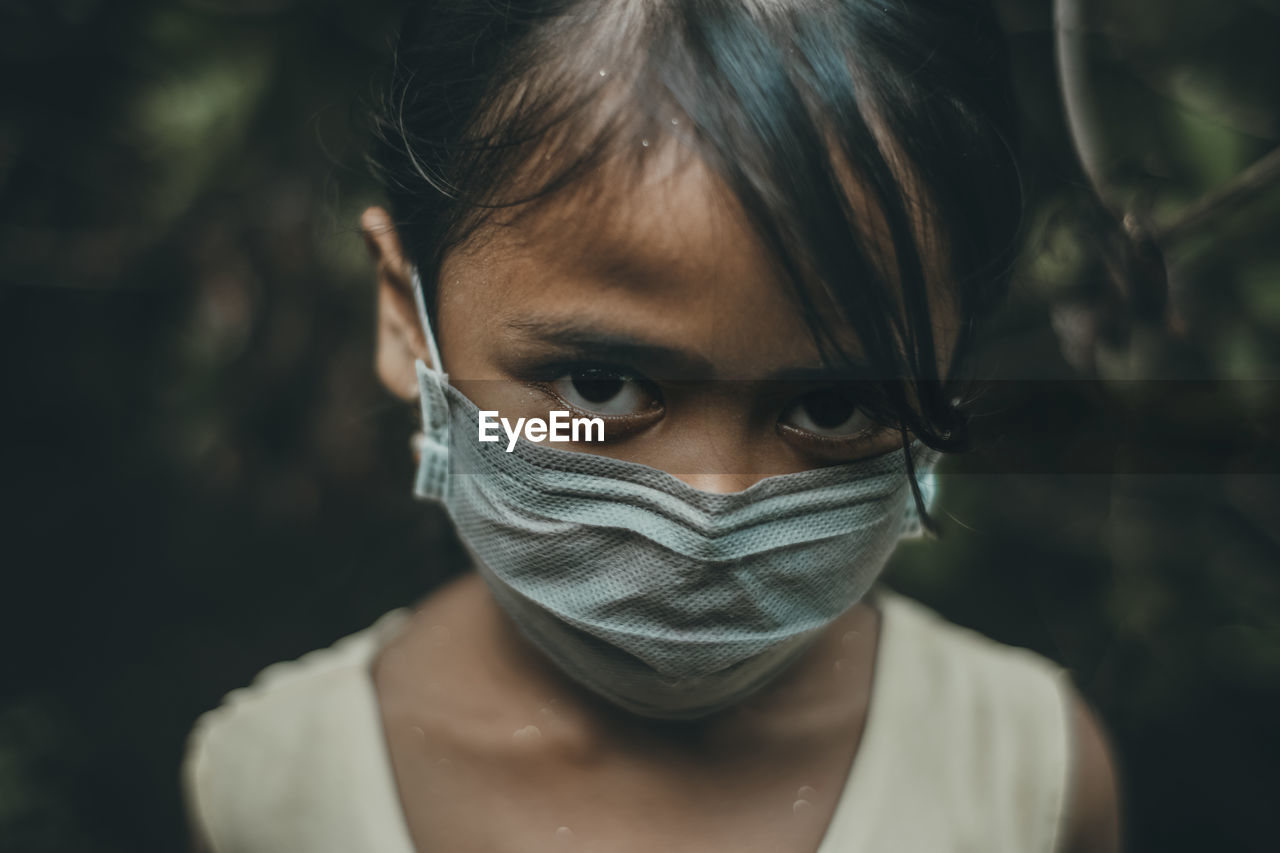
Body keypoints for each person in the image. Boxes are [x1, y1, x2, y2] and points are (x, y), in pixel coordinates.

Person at [182, 1, 1122, 850]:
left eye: (835, 406)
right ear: (403, 316)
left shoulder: (1032, 780)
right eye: (598, 387)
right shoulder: (269, 791)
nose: (710, 507)